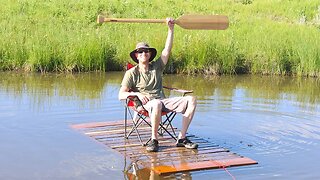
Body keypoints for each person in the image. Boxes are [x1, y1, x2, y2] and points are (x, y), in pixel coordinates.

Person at [118, 18, 198, 152]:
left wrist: (171, 29)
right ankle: (154, 139)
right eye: (141, 51)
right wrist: (137, 93)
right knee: (156, 104)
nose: (144, 53)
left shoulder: (157, 66)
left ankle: (182, 138)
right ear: (136, 56)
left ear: (149, 54)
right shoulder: (131, 73)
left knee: (191, 100)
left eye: (146, 51)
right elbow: (121, 95)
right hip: (146, 104)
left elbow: (167, 49)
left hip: (163, 101)